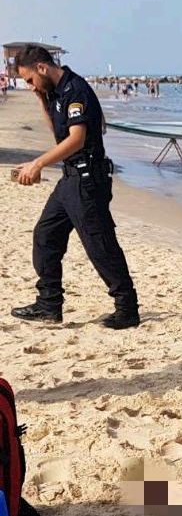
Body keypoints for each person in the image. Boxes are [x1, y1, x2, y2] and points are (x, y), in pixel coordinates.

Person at [11, 45, 140, 328]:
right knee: (46, 235)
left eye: (30, 80)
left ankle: (127, 307)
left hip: (87, 179)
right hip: (69, 179)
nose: (29, 85)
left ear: (42, 68)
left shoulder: (75, 90)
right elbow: (59, 135)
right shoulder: (55, 93)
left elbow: (76, 140)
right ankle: (49, 305)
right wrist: (41, 99)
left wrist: (38, 164)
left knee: (100, 245)